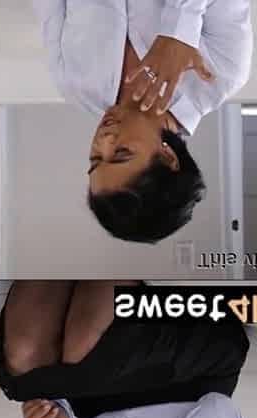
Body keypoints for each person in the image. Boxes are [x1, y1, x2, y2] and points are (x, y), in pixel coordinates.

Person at [33, 0, 253, 242]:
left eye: (95, 158)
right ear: (168, 157)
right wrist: (179, 30)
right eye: (121, 154)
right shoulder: (223, 71)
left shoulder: (74, 87)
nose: (104, 140)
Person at [0, 281, 250, 418]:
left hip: (95, 397)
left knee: (24, 367)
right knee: (86, 350)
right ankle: (120, 237)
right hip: (192, 375)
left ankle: (55, 242)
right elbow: (222, 412)